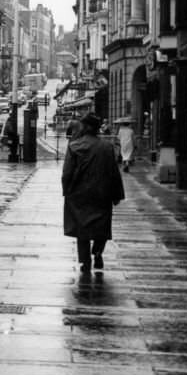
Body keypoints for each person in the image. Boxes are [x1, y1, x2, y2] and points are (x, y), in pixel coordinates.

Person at [62, 113, 125, 275]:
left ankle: (85, 260)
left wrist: (66, 190)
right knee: (101, 226)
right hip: (102, 192)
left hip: (79, 194)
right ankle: (97, 251)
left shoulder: (74, 146)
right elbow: (113, 172)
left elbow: (67, 172)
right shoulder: (106, 147)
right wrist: (117, 194)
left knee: (81, 228)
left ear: (86, 127)